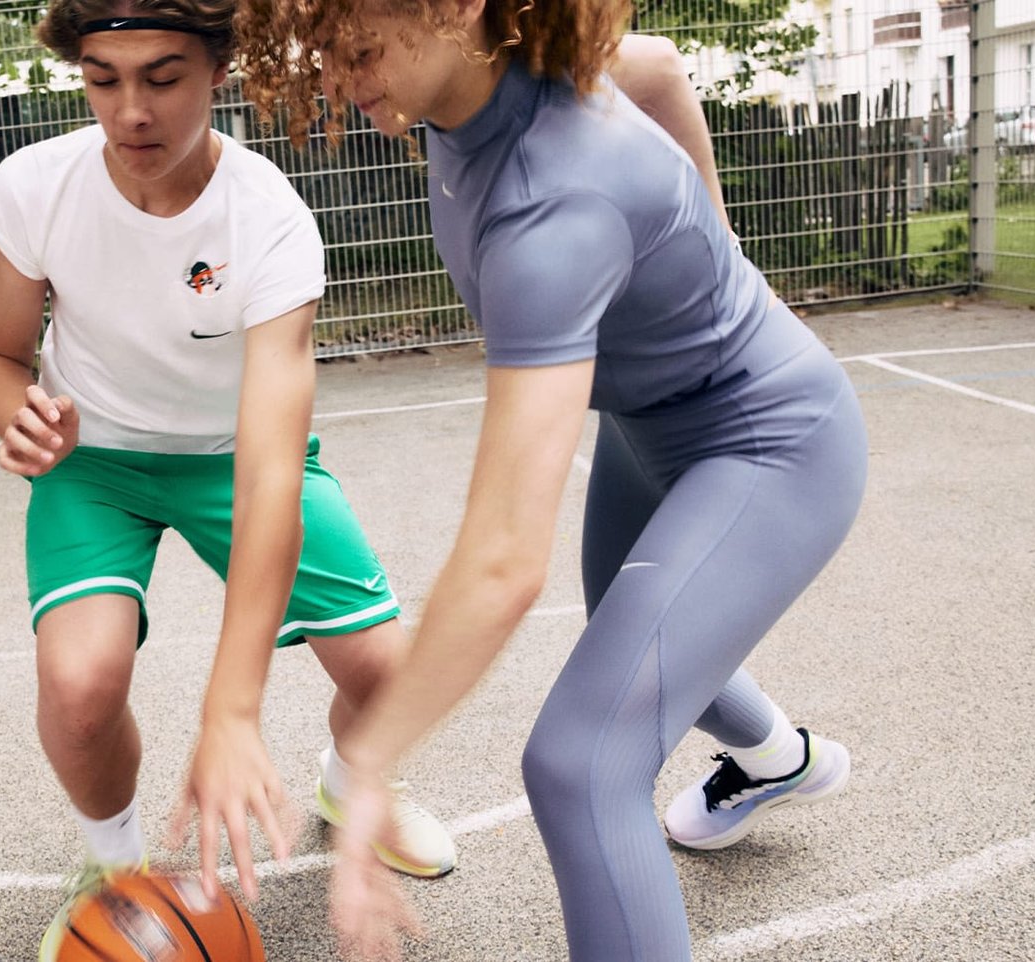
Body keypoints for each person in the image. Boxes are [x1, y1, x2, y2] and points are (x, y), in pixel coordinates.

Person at [232, 1, 864, 959]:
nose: (335, 80)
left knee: (581, 764)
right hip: (649, 425)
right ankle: (778, 758)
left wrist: (367, 761)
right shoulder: (495, 82)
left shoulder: (551, 206)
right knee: (633, 629)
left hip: (771, 441)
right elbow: (654, 66)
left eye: (357, 50)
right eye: (323, 53)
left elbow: (498, 565)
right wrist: (713, 249)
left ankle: (772, 758)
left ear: (456, 6)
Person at [0, 1, 462, 954]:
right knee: (80, 688)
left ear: (219, 72)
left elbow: (274, 465)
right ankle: (113, 868)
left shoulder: (267, 216)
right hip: (95, 462)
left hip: (239, 459)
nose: (130, 111)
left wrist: (230, 712)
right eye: (103, 79)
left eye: (162, 77)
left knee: (388, 674)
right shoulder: (34, 185)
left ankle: (351, 781)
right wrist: (14, 414)